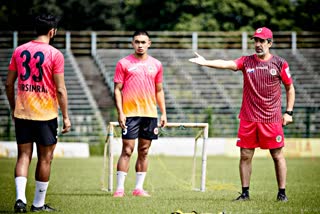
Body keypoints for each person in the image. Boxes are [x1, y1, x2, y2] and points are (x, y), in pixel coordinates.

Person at [189, 27, 295, 202]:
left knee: (277, 155)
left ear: (270, 43)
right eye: (256, 41)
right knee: (245, 155)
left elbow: (290, 88)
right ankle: (245, 193)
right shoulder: (246, 61)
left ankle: (282, 192)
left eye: (262, 41)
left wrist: (289, 112)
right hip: (249, 117)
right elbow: (227, 63)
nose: (258, 44)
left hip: (271, 118)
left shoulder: (280, 63)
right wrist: (205, 62)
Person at [6, 14, 71, 212]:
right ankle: (38, 204)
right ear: (53, 32)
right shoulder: (55, 54)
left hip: (23, 112)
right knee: (45, 158)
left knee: (23, 156)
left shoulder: (19, 50)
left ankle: (20, 200)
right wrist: (66, 117)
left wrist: (13, 108)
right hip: (45, 115)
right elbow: (60, 89)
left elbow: (9, 83)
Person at [113, 30, 167, 197]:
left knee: (144, 150)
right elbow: (117, 90)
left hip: (150, 114)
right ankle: (120, 189)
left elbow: (159, 91)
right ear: (132, 43)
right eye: (137, 42)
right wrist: (121, 112)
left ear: (149, 44)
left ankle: (138, 188)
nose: (140, 45)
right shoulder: (124, 63)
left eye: (143, 42)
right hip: (130, 113)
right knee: (127, 150)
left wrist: (163, 113)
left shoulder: (156, 64)